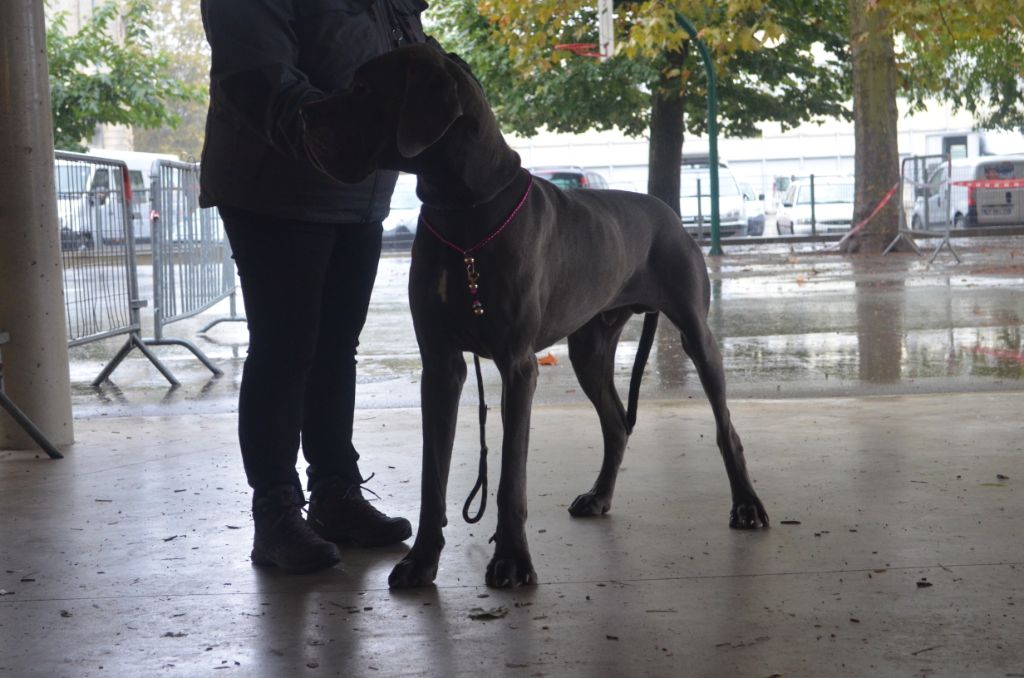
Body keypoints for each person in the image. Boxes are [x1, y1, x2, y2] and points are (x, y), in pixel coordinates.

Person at [199, 0, 430, 574]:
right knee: (286, 349)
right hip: (277, 187)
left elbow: (407, 57)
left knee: (335, 348)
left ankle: (335, 492)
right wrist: (353, 130)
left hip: (360, 188)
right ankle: (276, 513)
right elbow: (259, 76)